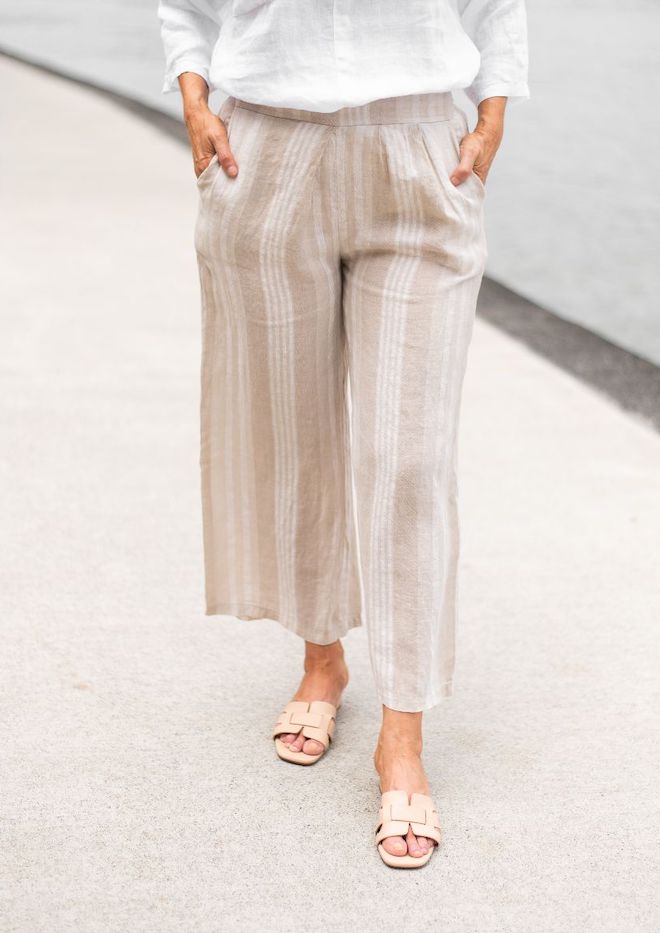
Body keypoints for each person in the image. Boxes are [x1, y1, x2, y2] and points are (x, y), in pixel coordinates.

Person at [158, 0, 529, 869]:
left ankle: (403, 734)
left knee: (409, 458)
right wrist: (194, 97)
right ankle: (323, 658)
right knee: (294, 439)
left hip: (420, 153)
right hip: (265, 150)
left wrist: (496, 108)